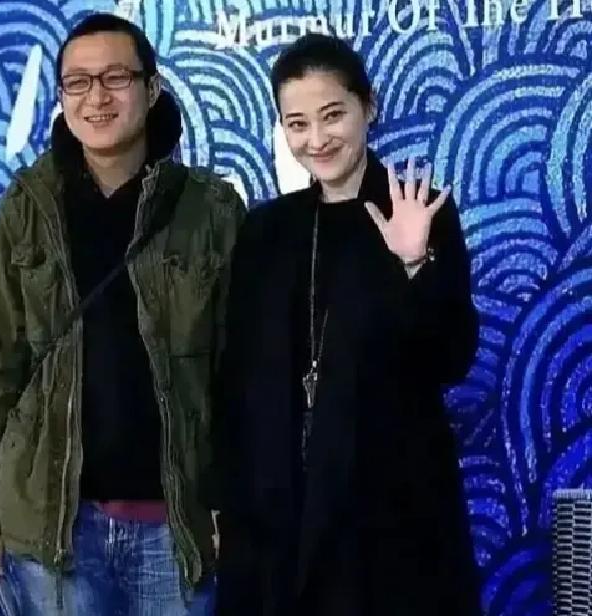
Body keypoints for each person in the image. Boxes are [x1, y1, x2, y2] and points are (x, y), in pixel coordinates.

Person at [0, 13, 245, 615]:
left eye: (115, 77)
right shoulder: (27, 206)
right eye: (77, 83)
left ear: (152, 88)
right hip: (54, 526)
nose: (96, 97)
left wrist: (233, 497)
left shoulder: (209, 208)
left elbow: (240, 370)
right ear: (61, 97)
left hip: (177, 525)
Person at [215, 33, 481, 616]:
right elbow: (237, 381)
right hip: (283, 516)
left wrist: (413, 264)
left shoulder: (420, 212)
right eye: (297, 123)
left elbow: (452, 357)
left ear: (369, 107)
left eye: (332, 115)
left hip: (389, 518)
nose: (317, 139)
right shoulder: (266, 232)